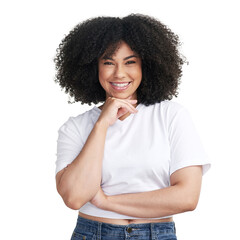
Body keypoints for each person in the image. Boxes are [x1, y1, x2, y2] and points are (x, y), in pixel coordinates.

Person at [54, 13, 210, 240]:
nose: (119, 73)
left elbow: (187, 197)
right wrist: (101, 124)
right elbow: (75, 197)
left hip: (156, 234)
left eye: (130, 62)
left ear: (145, 66)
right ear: (93, 67)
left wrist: (105, 201)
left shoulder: (171, 116)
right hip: (93, 233)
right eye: (108, 62)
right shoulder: (76, 128)